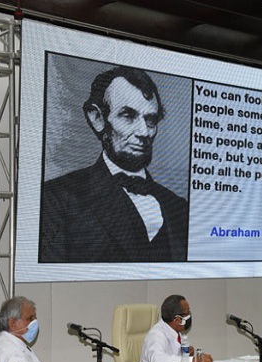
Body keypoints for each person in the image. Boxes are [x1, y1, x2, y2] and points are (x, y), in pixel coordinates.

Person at [39, 65, 188, 263]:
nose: (144, 132)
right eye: (128, 116)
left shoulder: (178, 207)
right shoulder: (56, 199)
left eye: (150, 120)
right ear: (97, 118)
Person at [139, 294, 213, 362]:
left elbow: (172, 357)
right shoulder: (156, 334)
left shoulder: (176, 333)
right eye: (187, 314)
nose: (189, 316)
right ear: (177, 319)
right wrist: (192, 361)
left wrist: (186, 355)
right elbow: (159, 361)